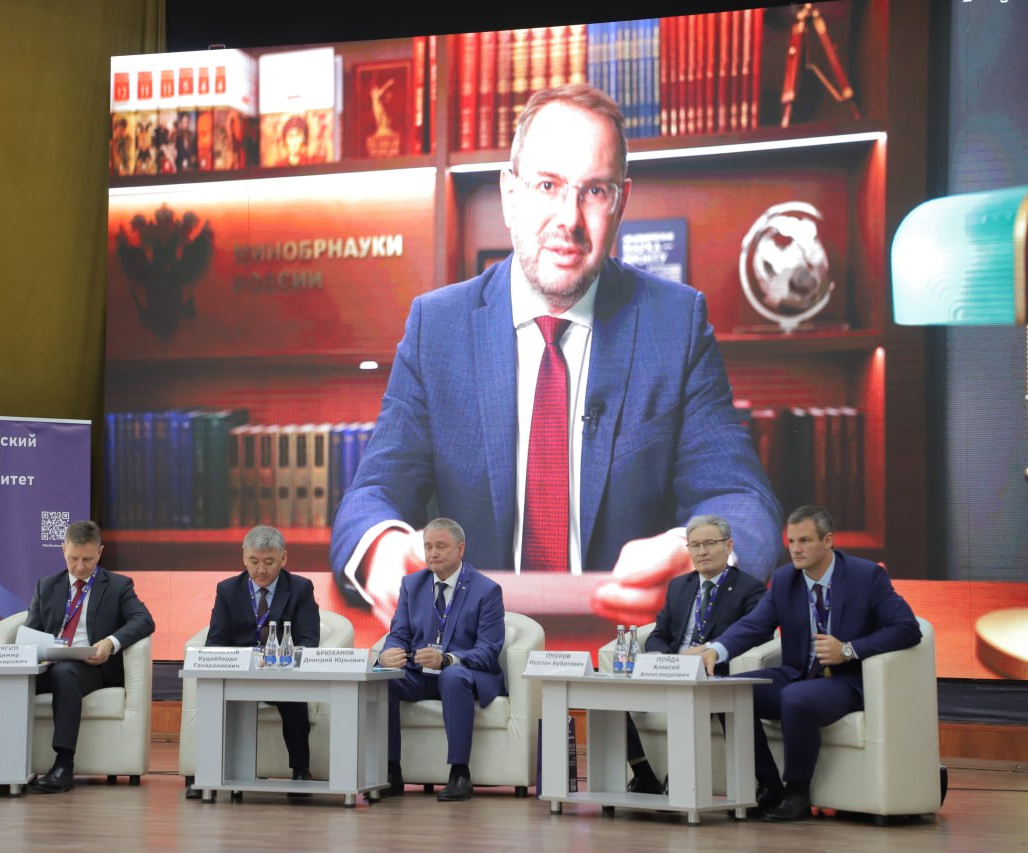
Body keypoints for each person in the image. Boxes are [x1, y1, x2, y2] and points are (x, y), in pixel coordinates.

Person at [330, 82, 782, 631]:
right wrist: (382, 549)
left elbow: (741, 498)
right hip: (472, 646)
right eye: (547, 185)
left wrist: (700, 555)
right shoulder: (438, 327)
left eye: (595, 191)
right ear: (510, 194)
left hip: (626, 649)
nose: (569, 218)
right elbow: (372, 493)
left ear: (620, 204)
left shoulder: (675, 324)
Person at [697, 505, 921, 821]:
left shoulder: (866, 576)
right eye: (791, 541)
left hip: (844, 680)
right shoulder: (785, 578)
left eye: (804, 541)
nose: (796, 549)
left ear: (827, 540)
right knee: (728, 693)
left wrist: (849, 650)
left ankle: (797, 793)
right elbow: (756, 624)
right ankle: (768, 785)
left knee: (796, 698)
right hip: (797, 673)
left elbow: (907, 628)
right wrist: (715, 650)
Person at [0, 520, 154, 794]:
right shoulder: (47, 586)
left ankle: (63, 765)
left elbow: (144, 620)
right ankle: (6, 761)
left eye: (87, 559)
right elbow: (30, 632)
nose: (80, 567)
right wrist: (29, 652)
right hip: (48, 664)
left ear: (100, 552)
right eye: (73, 558)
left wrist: (110, 643)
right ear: (63, 550)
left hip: (91, 668)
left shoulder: (118, 586)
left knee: (65, 673)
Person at [624, 514, 766, 794]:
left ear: (728, 545)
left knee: (693, 697)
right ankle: (643, 773)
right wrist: (665, 659)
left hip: (711, 673)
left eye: (710, 543)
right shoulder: (680, 586)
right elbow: (658, 634)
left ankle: (679, 778)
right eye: (695, 545)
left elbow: (756, 634)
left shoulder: (749, 588)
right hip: (671, 670)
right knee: (607, 700)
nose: (702, 552)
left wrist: (708, 650)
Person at [377, 518, 505, 802]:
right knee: (384, 680)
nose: (432, 553)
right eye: (428, 547)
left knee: (452, 677)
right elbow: (399, 633)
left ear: (460, 549)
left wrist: (447, 659)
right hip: (421, 673)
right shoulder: (412, 584)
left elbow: (488, 651)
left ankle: (460, 773)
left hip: (464, 673)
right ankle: (390, 771)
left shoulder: (486, 590)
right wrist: (387, 653)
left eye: (441, 546)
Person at [195, 525, 320, 799]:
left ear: (283, 558)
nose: (261, 570)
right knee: (209, 693)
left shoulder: (300, 588)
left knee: (293, 696)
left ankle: (300, 770)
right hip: (239, 674)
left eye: (269, 562)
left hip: (281, 673)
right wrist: (244, 661)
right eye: (254, 561)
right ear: (244, 557)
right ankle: (204, 773)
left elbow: (309, 641)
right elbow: (215, 641)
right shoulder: (228, 589)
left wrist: (280, 660)